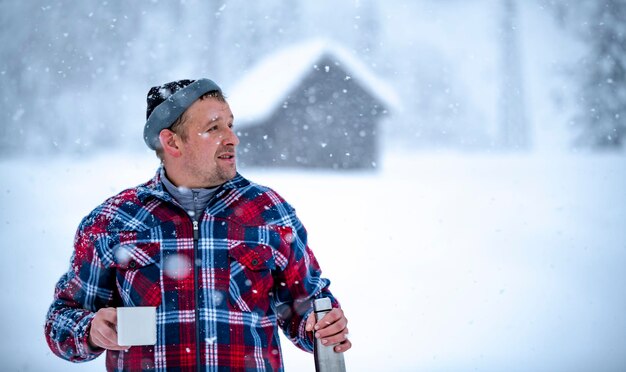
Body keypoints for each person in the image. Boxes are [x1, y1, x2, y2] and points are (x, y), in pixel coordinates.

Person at [44, 78, 351, 371]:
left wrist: (321, 323)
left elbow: (306, 305)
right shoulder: (113, 220)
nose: (232, 138)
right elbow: (61, 318)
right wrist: (90, 329)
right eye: (213, 128)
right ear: (172, 142)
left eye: (229, 125)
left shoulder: (269, 211)